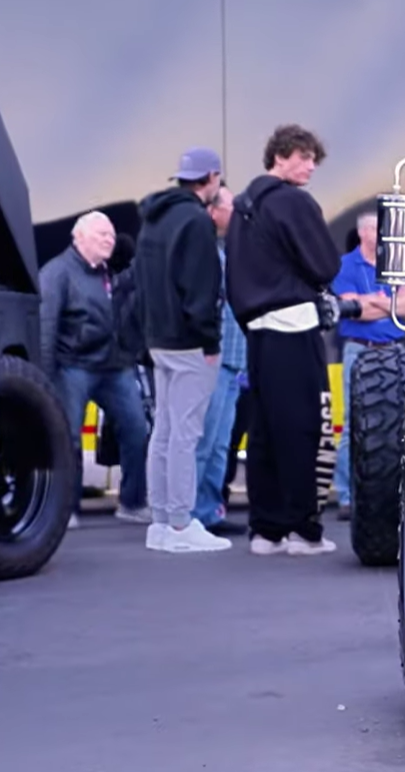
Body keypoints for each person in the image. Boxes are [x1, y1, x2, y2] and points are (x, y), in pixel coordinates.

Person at [225, 124, 347, 556]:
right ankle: (303, 531)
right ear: (279, 156)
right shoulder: (294, 202)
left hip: (257, 331)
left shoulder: (242, 207)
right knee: (303, 428)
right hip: (294, 326)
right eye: (304, 157)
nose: (311, 166)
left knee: (264, 431)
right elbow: (325, 265)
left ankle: (265, 531)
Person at [135, 146, 230, 552]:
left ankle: (160, 523)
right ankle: (180, 525)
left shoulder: (153, 219)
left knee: (164, 432)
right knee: (185, 435)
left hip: (159, 340)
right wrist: (210, 341)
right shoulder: (196, 221)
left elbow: (140, 283)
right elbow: (201, 288)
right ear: (210, 178)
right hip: (190, 344)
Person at [38, 210, 150, 526]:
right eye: (102, 234)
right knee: (67, 438)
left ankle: (132, 502)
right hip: (73, 367)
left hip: (114, 365)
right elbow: (46, 327)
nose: (110, 239)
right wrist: (45, 378)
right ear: (79, 237)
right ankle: (65, 510)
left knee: (136, 429)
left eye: (111, 234)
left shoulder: (108, 272)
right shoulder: (57, 273)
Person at [329, 211, 405, 520]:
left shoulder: (397, 265)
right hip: (359, 350)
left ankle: (392, 496)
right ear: (363, 232)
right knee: (352, 423)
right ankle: (346, 496)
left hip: (395, 351)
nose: (382, 234)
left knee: (398, 422)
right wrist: (390, 303)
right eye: (376, 228)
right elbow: (353, 310)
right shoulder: (344, 265)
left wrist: (373, 301)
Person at [192, 184, 250, 536]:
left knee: (219, 445)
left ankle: (209, 511)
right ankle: (189, 515)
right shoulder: (207, 255)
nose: (237, 213)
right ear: (213, 211)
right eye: (231, 206)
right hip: (214, 360)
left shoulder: (227, 253)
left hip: (234, 362)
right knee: (204, 442)